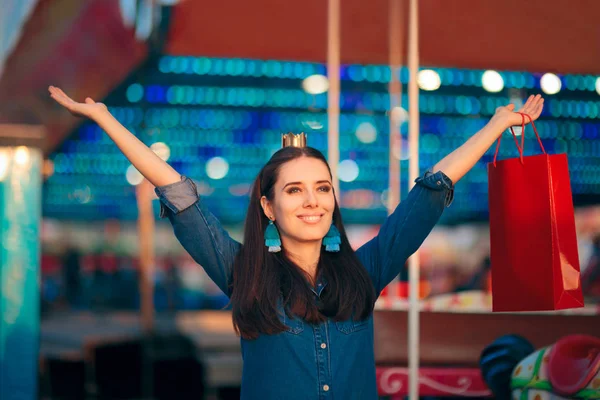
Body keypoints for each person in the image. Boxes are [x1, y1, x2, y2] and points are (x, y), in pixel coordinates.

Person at [48, 85, 544, 399]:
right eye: (294, 190)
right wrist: (106, 119)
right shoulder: (244, 273)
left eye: (323, 188)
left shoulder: (363, 271)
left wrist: (496, 125)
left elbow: (429, 195)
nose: (313, 201)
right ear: (268, 206)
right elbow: (179, 196)